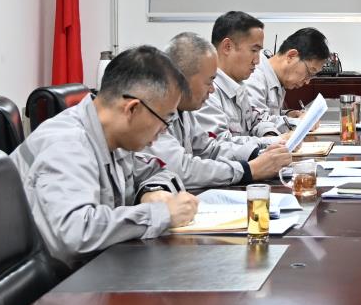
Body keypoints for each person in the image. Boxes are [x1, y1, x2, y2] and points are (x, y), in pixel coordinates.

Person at [10, 45, 199, 266]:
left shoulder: (115, 138)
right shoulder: (67, 145)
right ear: (132, 109)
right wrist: (160, 213)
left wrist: (150, 191)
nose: (164, 130)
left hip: (94, 268)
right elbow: (75, 233)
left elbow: (157, 170)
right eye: (165, 120)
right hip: (60, 281)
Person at [139, 33, 290, 193]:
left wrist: (257, 154)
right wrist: (248, 170)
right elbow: (181, 169)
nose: (212, 89)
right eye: (209, 81)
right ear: (181, 78)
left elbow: (209, 149)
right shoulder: (152, 113)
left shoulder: (186, 109)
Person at [195, 10, 283, 150]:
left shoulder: (239, 86)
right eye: (254, 50)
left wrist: (270, 134)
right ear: (227, 47)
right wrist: (271, 142)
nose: (257, 60)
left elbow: (255, 121)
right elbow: (220, 146)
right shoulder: (207, 93)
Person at [242, 26, 333, 133]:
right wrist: (300, 123)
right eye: (309, 72)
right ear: (291, 56)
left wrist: (288, 114)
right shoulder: (254, 75)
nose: (307, 81)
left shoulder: (278, 79)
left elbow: (266, 112)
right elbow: (257, 122)